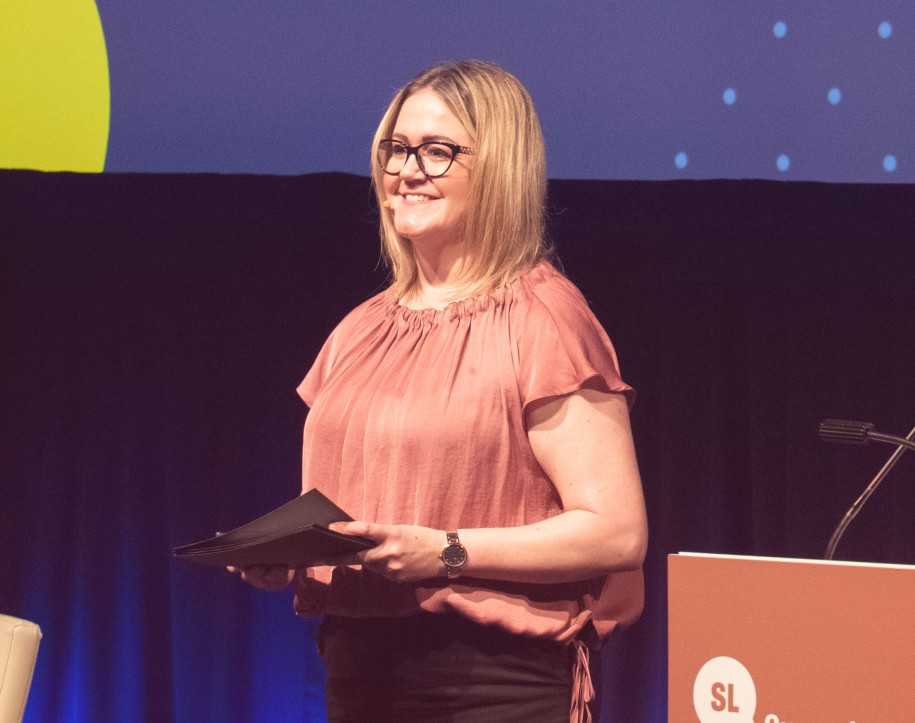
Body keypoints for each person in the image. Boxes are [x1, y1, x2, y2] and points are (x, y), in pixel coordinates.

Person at [238, 59, 648, 723]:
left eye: (437, 151)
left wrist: (448, 551)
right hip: (357, 673)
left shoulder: (544, 319)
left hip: (490, 686)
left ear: (498, 169)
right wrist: (289, 555)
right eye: (396, 149)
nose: (407, 170)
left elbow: (617, 531)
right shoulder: (362, 328)